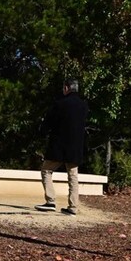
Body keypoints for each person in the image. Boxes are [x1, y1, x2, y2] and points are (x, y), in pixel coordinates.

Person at [34, 78, 89, 215]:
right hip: (75, 148)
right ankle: (73, 207)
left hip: (58, 146)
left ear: (66, 88)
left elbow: (48, 123)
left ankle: (50, 201)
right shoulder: (83, 106)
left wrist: (40, 133)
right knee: (73, 176)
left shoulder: (59, 104)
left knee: (46, 171)